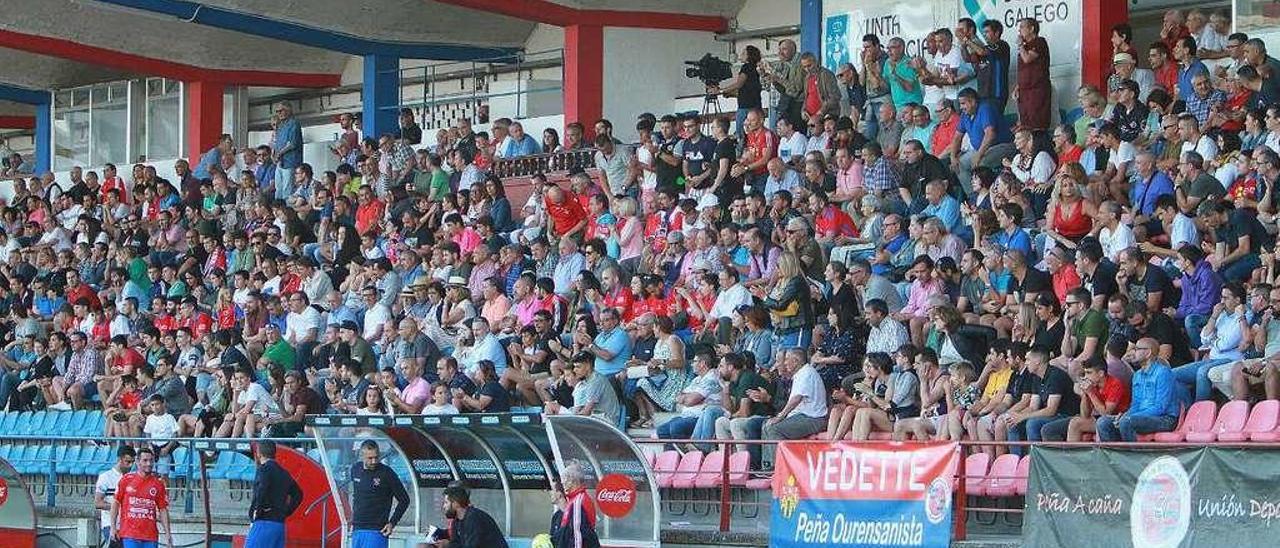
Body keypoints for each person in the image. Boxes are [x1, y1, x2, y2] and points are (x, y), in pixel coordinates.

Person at [1096, 338, 1180, 441]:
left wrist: (1130, 417)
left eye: (1137, 349)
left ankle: (1132, 455)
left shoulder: (1163, 373)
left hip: (1165, 418)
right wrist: (1125, 415)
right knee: (1103, 422)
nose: (1132, 352)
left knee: (1127, 421)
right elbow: (1135, 405)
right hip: (1140, 416)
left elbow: (1160, 407)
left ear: (1148, 353)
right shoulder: (1137, 375)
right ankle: (1115, 455)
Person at [350, 440, 410, 548]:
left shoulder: (387, 473)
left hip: (377, 529)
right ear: (362, 456)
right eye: (370, 458)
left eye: (376, 457)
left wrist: (392, 523)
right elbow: (357, 495)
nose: (374, 461)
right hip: (357, 528)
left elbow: (404, 500)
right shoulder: (355, 469)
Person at [109, 447, 172, 548]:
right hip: (129, 534)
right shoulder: (126, 480)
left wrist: (168, 534)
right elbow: (115, 503)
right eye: (145, 460)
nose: (148, 464)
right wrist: (113, 527)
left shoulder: (158, 484)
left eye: (151, 460)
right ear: (138, 462)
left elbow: (163, 509)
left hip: (150, 535)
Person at [246, 440, 304, 548]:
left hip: (264, 522)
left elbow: (262, 489)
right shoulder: (283, 472)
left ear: (259, 453)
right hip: (279, 524)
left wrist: (256, 510)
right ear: (274, 453)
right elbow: (298, 494)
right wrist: (286, 511)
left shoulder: (263, 469)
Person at [437, 483, 508, 548]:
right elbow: (456, 543)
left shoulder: (474, 518)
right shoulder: (457, 521)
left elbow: (471, 546)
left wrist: (448, 545)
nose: (444, 506)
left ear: (456, 503)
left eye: (446, 503)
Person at [550, 461, 599, 548]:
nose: (562, 483)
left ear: (572, 480)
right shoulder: (574, 500)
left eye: (564, 479)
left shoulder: (578, 501)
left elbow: (577, 536)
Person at [95, 446, 136, 546]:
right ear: (119, 459)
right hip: (110, 523)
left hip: (129, 525)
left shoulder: (133, 477)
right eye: (127, 462)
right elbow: (98, 503)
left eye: (132, 462)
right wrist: (116, 507)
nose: (130, 465)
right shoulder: (105, 477)